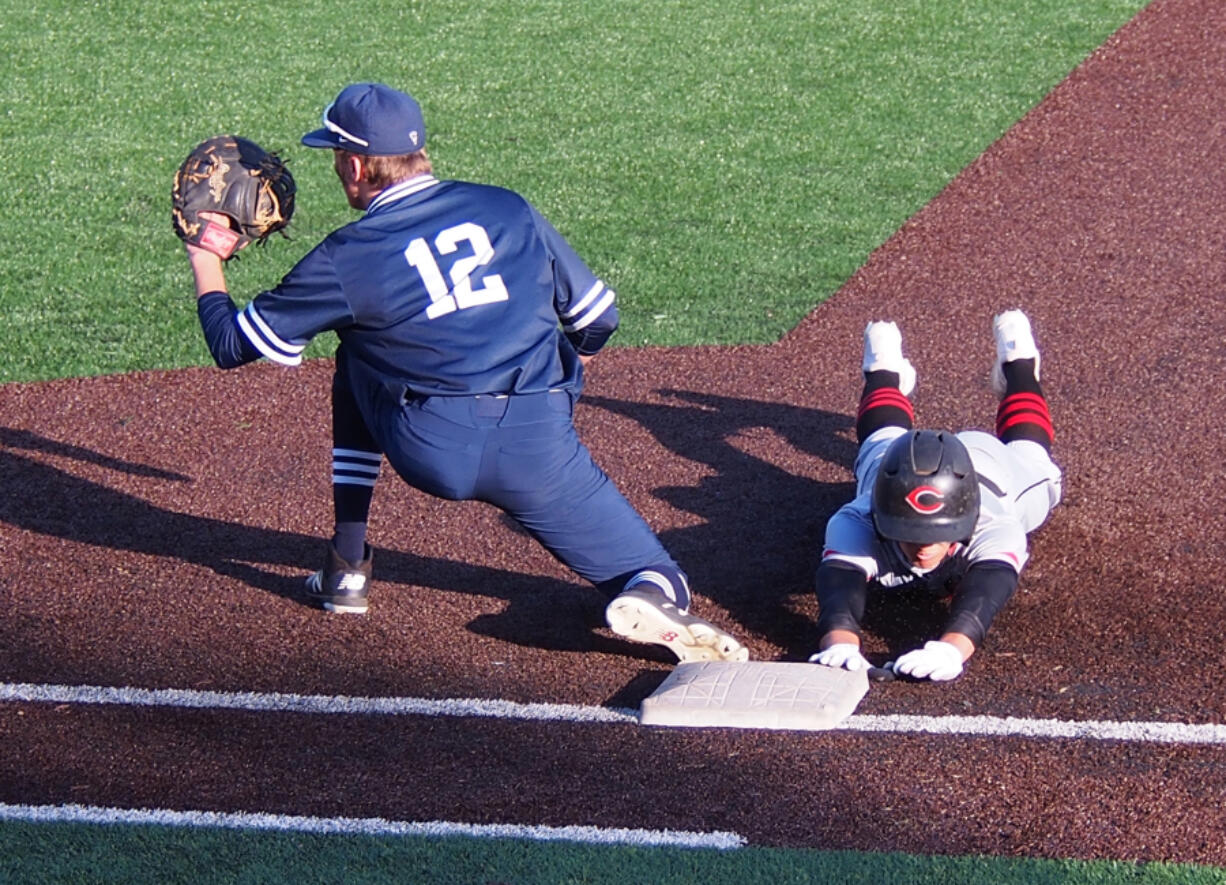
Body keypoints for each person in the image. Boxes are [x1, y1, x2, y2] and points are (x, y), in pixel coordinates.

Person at [181, 82, 748, 664]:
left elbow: (231, 344)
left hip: (434, 447)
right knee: (658, 576)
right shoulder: (507, 207)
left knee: (357, 352)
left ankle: (347, 568)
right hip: (537, 442)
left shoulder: (345, 256)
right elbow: (598, 318)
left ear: (354, 164)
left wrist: (207, 256)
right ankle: (648, 596)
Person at [809, 310, 1062, 681]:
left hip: (989, 466)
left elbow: (986, 591)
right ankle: (883, 370)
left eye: (935, 535)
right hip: (897, 467)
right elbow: (839, 586)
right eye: (910, 534)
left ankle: (1019, 366)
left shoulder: (997, 524)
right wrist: (838, 643)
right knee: (880, 445)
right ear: (885, 518)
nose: (924, 548)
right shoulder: (859, 517)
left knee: (1034, 457)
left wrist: (952, 648)